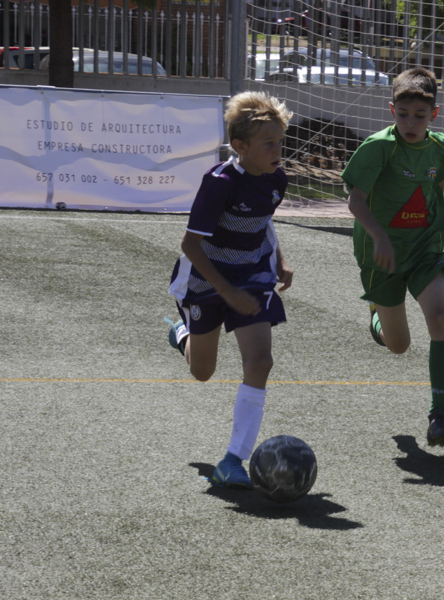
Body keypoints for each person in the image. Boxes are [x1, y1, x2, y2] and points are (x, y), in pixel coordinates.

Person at [165, 91, 294, 488]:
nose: (277, 151)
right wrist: (225, 291)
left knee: (260, 362)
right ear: (240, 147)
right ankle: (183, 334)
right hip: (205, 279)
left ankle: (233, 459)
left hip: (252, 276)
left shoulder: (277, 179)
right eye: (268, 144)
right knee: (202, 372)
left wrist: (279, 261)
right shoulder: (218, 183)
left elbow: (263, 223)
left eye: (280, 142)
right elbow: (191, 245)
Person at [341, 67, 444, 447]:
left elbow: (435, 186)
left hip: (424, 249)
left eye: (420, 116)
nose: (410, 122)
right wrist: (380, 236)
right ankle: (377, 315)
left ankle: (439, 417)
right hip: (382, 255)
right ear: (391, 109)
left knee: (441, 320)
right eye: (403, 114)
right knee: (399, 346)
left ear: (434, 115)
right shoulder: (377, 148)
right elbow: (355, 200)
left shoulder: (441, 150)